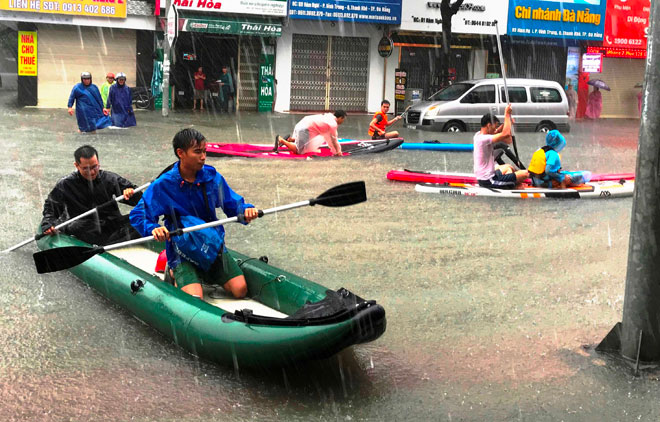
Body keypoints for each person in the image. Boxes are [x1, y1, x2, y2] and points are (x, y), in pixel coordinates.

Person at [129, 128, 259, 299]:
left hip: (210, 242)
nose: (203, 157)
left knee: (240, 290)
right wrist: (153, 228)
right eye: (197, 152)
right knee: (195, 298)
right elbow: (138, 214)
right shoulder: (164, 184)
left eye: (205, 151)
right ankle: (175, 271)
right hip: (182, 248)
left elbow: (233, 204)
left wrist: (245, 211)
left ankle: (205, 273)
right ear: (180, 153)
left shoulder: (212, 178)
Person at [40, 145, 142, 246]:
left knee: (142, 217)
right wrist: (48, 224)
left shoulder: (110, 178)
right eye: (86, 169)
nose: (92, 172)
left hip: (111, 224)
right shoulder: (66, 184)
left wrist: (132, 193)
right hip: (86, 226)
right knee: (76, 226)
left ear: (98, 163)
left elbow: (140, 201)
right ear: (76, 165)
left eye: (95, 167)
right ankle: (115, 241)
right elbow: (51, 207)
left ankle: (111, 241)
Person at [474, 105, 528, 189]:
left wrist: (506, 123)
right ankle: (516, 186)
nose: (495, 130)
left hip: (488, 175)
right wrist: (506, 114)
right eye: (494, 127)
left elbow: (497, 132)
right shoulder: (483, 139)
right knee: (525, 174)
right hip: (488, 180)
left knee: (508, 167)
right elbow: (505, 134)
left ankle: (514, 183)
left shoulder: (478, 135)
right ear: (488, 125)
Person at [274, 110, 346, 156]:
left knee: (310, 142)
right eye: (343, 119)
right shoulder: (333, 124)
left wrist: (335, 151)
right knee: (299, 151)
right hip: (304, 129)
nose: (343, 122)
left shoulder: (328, 116)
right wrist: (338, 152)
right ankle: (281, 140)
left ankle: (291, 139)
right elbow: (334, 140)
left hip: (301, 125)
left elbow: (328, 138)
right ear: (341, 118)